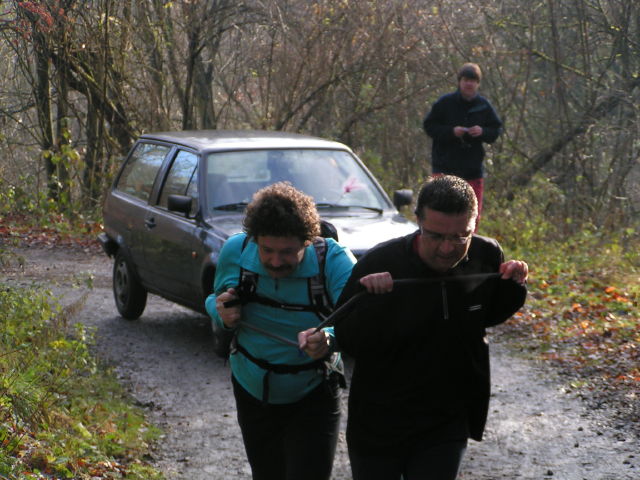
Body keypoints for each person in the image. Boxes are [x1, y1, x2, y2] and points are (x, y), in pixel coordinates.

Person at [334, 175, 528, 480]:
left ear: (474, 225)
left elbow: (486, 314)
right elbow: (345, 338)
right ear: (418, 222)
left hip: (446, 420)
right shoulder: (381, 262)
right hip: (379, 422)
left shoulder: (485, 255)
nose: (448, 248)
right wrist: (372, 301)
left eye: (460, 236)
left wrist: (513, 285)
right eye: (436, 236)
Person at [205, 182, 356, 480]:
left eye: (287, 252)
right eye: (267, 250)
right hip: (252, 389)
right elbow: (214, 298)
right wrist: (221, 312)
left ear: (308, 241)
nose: (275, 261)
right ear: (254, 239)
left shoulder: (334, 261)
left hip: (313, 392)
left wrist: (330, 338)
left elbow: (362, 321)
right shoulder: (236, 250)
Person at [422, 62, 503, 220]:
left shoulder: (484, 106)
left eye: (472, 80)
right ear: (459, 82)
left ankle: (468, 244)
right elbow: (429, 126)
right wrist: (451, 132)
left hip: (472, 170)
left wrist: (482, 131)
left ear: (478, 84)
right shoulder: (445, 103)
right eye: (466, 80)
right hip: (444, 168)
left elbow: (495, 131)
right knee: (440, 213)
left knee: (471, 217)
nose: (469, 84)